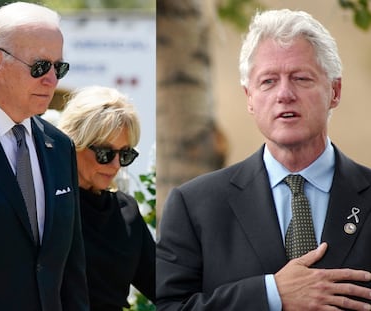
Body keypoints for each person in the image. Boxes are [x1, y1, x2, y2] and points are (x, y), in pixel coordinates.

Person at [156, 8, 371, 311]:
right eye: (268, 81)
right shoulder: (195, 206)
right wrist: (271, 294)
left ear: (334, 91)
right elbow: (169, 307)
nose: (285, 94)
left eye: (300, 78)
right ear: (250, 98)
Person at [0, 2, 89, 310]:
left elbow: (71, 269)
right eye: (40, 66)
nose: (52, 80)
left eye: (60, 68)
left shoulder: (60, 147)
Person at [57, 85, 156, 311]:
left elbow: (163, 285)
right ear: (74, 142)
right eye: (105, 153)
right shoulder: (47, 205)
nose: (115, 165)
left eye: (125, 154)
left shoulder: (126, 210)